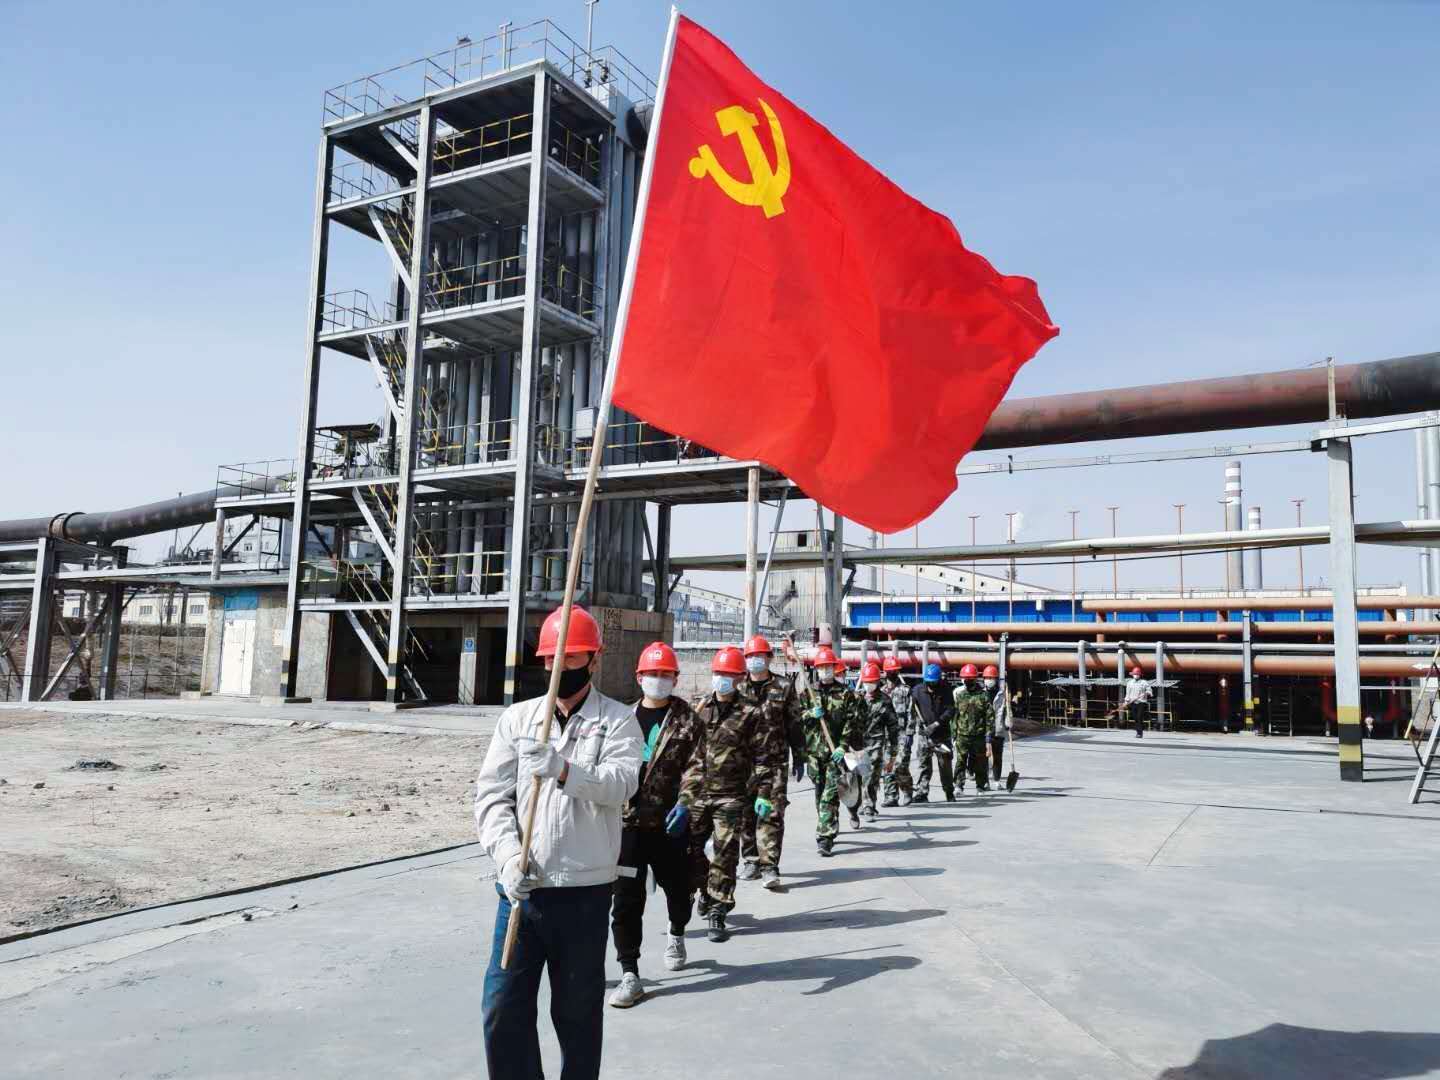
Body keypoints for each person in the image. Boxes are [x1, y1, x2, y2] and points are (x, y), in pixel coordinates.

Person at [475, 605, 643, 1080]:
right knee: (502, 1008)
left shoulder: (618, 721)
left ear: (594, 659)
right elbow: (491, 798)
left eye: (570, 658)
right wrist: (508, 857)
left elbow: (622, 784)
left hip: (583, 894)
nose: (558, 667)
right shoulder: (517, 719)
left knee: (577, 1014)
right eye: (552, 658)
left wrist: (565, 770)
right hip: (521, 893)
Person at [608, 642, 707, 1009]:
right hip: (629, 825)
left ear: (676, 679)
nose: (659, 679)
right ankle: (629, 972)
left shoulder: (689, 721)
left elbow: (698, 767)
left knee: (679, 890)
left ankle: (677, 931)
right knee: (625, 900)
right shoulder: (622, 719)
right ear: (639, 677)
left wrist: (686, 802)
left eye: (665, 674)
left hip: (670, 825)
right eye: (652, 674)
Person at [680, 646, 777, 943]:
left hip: (732, 795)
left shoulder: (751, 713)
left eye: (728, 674)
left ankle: (718, 909)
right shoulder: (699, 708)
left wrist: (764, 793)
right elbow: (683, 748)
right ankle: (705, 889)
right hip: (697, 794)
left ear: (738, 678)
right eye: (718, 673)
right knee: (689, 851)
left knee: (725, 853)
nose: (721, 678)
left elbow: (764, 756)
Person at [737, 634, 804, 891]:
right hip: (744, 763)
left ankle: (769, 866)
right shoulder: (737, 687)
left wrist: (800, 755)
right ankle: (751, 861)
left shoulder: (784, 686)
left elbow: (794, 722)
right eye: (751, 656)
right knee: (746, 813)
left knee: (772, 813)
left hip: (775, 762)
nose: (755, 660)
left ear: (769, 658)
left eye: (760, 656)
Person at [799, 645, 865, 856]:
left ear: (834, 668)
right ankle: (827, 823)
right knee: (820, 795)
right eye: (821, 667)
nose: (825, 670)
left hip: (835, 753)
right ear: (816, 669)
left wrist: (843, 746)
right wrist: (810, 714)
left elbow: (851, 722)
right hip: (814, 753)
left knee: (830, 795)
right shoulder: (808, 692)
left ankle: (825, 838)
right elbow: (795, 718)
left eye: (828, 667)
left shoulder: (846, 694)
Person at [857, 661, 900, 819]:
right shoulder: (856, 698)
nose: (868, 685)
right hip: (857, 744)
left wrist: (893, 750)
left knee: (872, 775)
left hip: (876, 743)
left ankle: (869, 805)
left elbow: (893, 727)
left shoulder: (885, 701)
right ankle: (860, 803)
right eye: (866, 682)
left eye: (872, 682)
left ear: (877, 681)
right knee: (859, 775)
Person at [910, 662, 956, 802]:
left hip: (942, 734)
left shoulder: (946, 690)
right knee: (924, 764)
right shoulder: (917, 691)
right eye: (929, 682)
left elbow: (950, 710)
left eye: (934, 682)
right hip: (925, 735)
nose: (931, 685)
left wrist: (936, 724)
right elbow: (912, 710)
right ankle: (922, 793)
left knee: (945, 764)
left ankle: (949, 791)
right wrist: (919, 726)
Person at [951, 663, 992, 794]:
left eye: (970, 679)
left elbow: (989, 718)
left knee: (980, 762)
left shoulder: (983, 696)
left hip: (978, 736)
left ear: (975, 679)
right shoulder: (960, 695)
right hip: (962, 735)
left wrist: (988, 738)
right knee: (960, 762)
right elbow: (955, 716)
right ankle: (958, 786)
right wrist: (954, 735)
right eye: (965, 679)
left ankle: (980, 786)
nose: (967, 681)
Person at [882, 655, 915, 806]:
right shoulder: (881, 692)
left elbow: (911, 713)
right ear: (885, 672)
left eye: (895, 671)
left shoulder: (905, 690)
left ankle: (907, 790)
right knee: (888, 765)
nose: (892, 673)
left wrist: (910, 733)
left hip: (902, 734)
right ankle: (891, 797)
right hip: (886, 735)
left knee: (901, 764)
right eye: (890, 671)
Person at [983, 665, 1012, 786]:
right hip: (984, 730)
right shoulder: (981, 694)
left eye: (991, 677)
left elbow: (1007, 710)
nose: (989, 680)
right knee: (984, 757)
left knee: (997, 757)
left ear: (995, 679)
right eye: (987, 677)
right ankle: (985, 781)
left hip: (998, 729)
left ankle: (997, 780)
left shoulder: (1002, 694)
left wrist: (1009, 721)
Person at [1123, 666, 1152, 738]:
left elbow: (1149, 690)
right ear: (1132, 675)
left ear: (1140, 675)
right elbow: (1128, 694)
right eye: (1134, 674)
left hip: (1141, 702)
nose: (1136, 675)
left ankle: (1139, 733)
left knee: (1139, 717)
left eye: (1137, 674)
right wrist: (1126, 701)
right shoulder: (1129, 683)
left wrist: (1146, 693)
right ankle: (1139, 729)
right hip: (1132, 703)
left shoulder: (1144, 682)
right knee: (1135, 718)